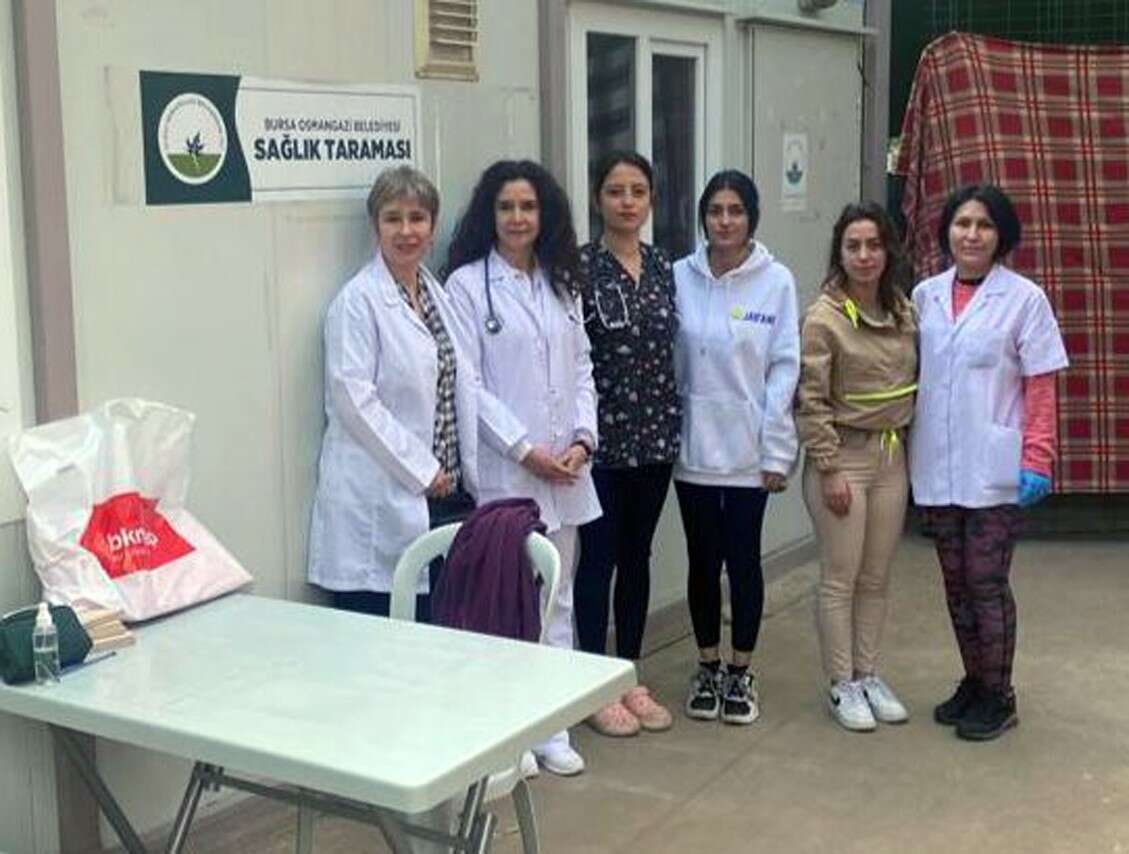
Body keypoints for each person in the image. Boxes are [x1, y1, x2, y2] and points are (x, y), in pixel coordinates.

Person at [307, 165, 524, 621]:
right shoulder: (357, 302)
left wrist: (522, 447)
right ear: (376, 226)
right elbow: (354, 401)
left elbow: (465, 386)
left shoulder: (434, 294)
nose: (406, 231)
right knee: (379, 639)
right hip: (382, 503)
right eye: (393, 218)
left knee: (434, 636)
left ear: (432, 226)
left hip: (441, 502)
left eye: (417, 218)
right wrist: (422, 469)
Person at [444, 159, 600, 776]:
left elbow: (583, 368)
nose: (517, 218)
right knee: (507, 602)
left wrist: (583, 440)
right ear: (490, 214)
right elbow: (469, 385)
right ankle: (509, 735)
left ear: (544, 214)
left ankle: (551, 729)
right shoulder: (466, 287)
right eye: (506, 207)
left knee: (558, 598)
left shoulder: (563, 281)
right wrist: (523, 450)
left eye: (527, 207)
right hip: (510, 472)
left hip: (568, 469)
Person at [911, 184, 1069, 741]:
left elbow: (1040, 385)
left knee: (985, 580)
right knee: (955, 583)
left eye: (984, 225)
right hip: (938, 461)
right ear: (946, 232)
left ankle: (999, 695)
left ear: (1001, 235)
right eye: (962, 224)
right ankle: (974, 681)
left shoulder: (1024, 299)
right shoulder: (925, 296)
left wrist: (1038, 457)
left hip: (995, 466)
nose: (972, 235)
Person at [672, 170, 800, 725]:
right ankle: (707, 665)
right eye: (715, 210)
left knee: (743, 561)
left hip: (750, 456)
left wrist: (777, 451)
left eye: (736, 211)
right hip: (693, 452)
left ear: (751, 218)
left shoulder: (776, 282)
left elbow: (784, 368)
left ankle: (741, 671)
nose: (724, 221)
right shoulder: (680, 276)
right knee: (702, 562)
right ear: (703, 217)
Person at [796, 202, 917, 732]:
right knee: (840, 578)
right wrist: (828, 468)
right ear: (839, 253)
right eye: (853, 246)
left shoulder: (903, 311)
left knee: (876, 577)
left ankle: (868, 674)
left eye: (874, 245)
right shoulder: (824, 318)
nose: (865, 256)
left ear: (888, 251)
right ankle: (841, 683)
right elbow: (810, 398)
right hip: (843, 458)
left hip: (891, 456)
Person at [573, 151, 681, 737]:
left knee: (638, 558)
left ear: (651, 200)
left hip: (656, 438)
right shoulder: (579, 268)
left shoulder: (664, 266)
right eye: (615, 191)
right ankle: (594, 683)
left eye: (638, 191)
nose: (627, 201)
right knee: (599, 559)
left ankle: (628, 674)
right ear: (598, 199)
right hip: (602, 444)